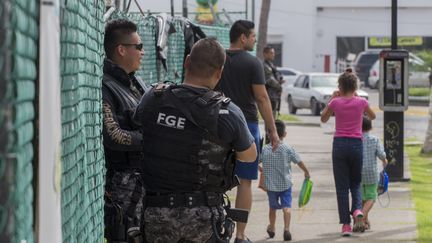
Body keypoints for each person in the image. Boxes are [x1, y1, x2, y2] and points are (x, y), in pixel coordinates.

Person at [133, 38, 257, 243]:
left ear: (187, 61)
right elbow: (249, 156)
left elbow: (138, 126)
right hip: (203, 218)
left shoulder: (153, 98)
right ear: (220, 72)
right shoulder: (228, 112)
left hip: (156, 214)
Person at [216, 19, 279, 243]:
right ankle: (240, 235)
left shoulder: (218, 59)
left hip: (218, 124)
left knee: (213, 178)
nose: (254, 40)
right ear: (243, 37)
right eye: (252, 36)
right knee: (245, 182)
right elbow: (262, 98)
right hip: (247, 126)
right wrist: (272, 130)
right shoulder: (253, 63)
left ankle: (214, 230)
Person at [102, 19, 148, 242]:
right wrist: (150, 139)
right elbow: (113, 136)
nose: (143, 52)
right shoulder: (106, 86)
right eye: (138, 47)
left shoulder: (135, 83)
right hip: (123, 188)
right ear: (121, 49)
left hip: (146, 181)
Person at [320, 68, 376, 237]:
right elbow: (372, 117)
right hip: (356, 145)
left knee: (342, 187)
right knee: (355, 183)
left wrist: (332, 98)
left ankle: (345, 224)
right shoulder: (361, 102)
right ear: (355, 86)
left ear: (340, 86)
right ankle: (357, 210)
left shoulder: (335, 103)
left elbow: (323, 118)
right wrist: (358, 99)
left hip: (339, 146)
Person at [261, 120, 310, 241]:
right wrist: (306, 171)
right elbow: (299, 161)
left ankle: (272, 228)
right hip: (285, 185)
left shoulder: (265, 150)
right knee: (286, 207)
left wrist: (261, 169)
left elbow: (255, 162)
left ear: (269, 134)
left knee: (272, 208)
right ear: (285, 134)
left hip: (271, 186)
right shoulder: (288, 148)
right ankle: (286, 229)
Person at [360, 117, 388, 231]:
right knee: (371, 197)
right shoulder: (374, 139)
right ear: (371, 127)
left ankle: (365, 222)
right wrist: (385, 161)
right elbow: (381, 154)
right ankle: (361, 216)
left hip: (358, 173)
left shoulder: (356, 139)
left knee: (362, 198)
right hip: (372, 173)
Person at [263, 46, 284, 118]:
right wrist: (279, 86)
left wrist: (280, 80)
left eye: (273, 53)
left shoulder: (271, 65)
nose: (273, 55)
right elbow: (270, 80)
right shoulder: (265, 66)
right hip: (269, 95)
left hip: (274, 95)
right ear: (265, 54)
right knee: (270, 117)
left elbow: (276, 75)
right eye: (271, 53)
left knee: (273, 116)